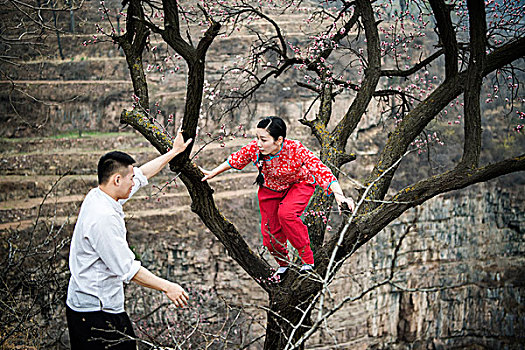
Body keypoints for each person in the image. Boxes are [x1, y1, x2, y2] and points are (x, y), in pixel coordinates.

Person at [66, 130, 192, 349]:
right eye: (130, 178)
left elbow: (142, 175)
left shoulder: (101, 194)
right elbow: (128, 269)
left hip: (93, 304)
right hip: (96, 311)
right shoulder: (103, 217)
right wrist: (168, 287)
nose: (135, 182)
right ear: (117, 179)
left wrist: (174, 152)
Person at [201, 116, 354, 280]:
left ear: (279, 140)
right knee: (269, 236)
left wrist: (340, 197)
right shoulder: (256, 148)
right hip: (270, 190)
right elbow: (236, 159)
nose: (258, 143)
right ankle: (283, 265)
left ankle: (307, 260)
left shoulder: (295, 149)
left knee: (286, 214)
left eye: (264, 139)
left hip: (298, 185)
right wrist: (213, 173)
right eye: (257, 138)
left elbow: (321, 171)